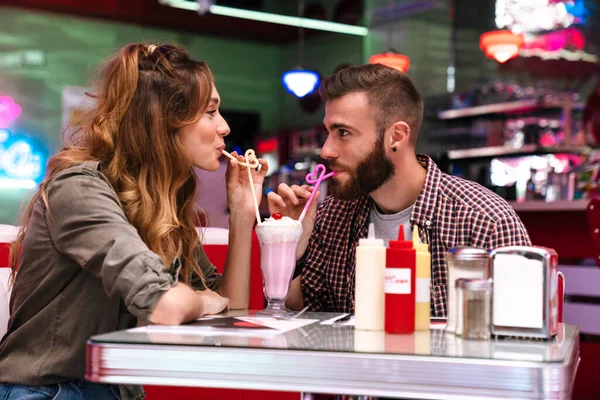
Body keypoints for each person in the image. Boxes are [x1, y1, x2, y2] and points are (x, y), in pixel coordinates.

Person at [0, 43, 267, 399]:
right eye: (210, 112)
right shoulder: (78, 189)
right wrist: (204, 301)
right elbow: (168, 305)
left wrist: (243, 213)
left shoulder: (158, 202)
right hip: (48, 391)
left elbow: (229, 306)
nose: (224, 126)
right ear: (164, 121)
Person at [268, 63, 530, 317]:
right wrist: (291, 244)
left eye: (343, 133)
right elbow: (303, 321)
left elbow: (520, 340)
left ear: (396, 136)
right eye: (328, 132)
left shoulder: (484, 221)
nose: (326, 150)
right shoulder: (330, 217)